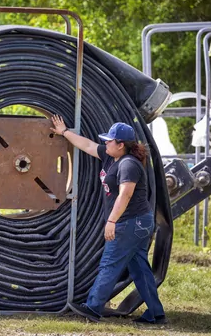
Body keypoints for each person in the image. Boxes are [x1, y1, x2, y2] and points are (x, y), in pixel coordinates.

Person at [50, 115, 167, 325]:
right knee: (139, 268)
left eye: (109, 140)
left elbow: (125, 194)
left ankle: (93, 308)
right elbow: (87, 145)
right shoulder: (110, 156)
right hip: (138, 222)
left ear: (121, 145)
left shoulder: (128, 164)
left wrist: (111, 221)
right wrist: (64, 132)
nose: (105, 142)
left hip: (131, 223)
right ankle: (156, 314)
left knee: (109, 264)